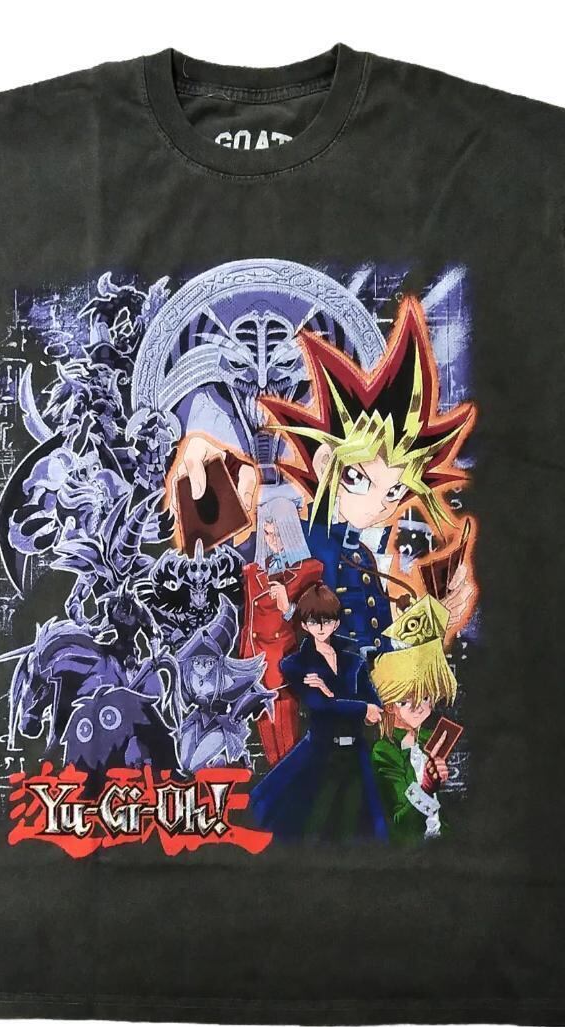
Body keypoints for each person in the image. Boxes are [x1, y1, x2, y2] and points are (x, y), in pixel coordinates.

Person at [170, 297, 478, 661]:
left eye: (395, 491)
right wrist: (203, 476)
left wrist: (434, 621)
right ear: (325, 462)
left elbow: (381, 643)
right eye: (359, 478)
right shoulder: (303, 538)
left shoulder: (362, 552)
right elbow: (233, 572)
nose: (380, 504)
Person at [249, 583, 388, 842]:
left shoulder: (353, 658)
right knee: (313, 829)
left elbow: (374, 705)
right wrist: (357, 707)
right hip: (320, 754)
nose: (321, 627)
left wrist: (331, 693)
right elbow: (320, 706)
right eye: (314, 621)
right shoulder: (296, 664)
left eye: (327, 620)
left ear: (336, 623)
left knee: (364, 832)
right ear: (304, 624)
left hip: (356, 754)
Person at [239, 498, 323, 765]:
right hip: (255, 667)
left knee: (287, 743)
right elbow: (249, 621)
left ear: (290, 531)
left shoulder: (308, 571)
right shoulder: (253, 571)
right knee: (268, 742)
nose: (272, 540)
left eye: (278, 533)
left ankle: (292, 783)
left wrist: (289, 608)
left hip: (284, 665)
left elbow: (318, 622)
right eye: (267, 533)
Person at [369, 595, 458, 842]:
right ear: (389, 706)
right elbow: (401, 827)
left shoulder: (433, 739)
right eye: (405, 701)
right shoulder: (385, 751)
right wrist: (426, 786)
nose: (418, 707)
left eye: (426, 697)